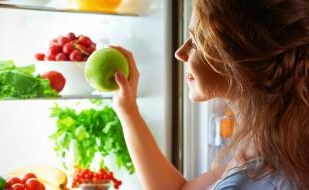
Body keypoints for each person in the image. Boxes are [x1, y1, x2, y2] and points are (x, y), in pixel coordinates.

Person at [110, 0, 309, 189]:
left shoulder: (249, 179)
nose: (180, 53)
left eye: (195, 42)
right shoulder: (274, 149)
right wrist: (128, 110)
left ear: (237, 58)